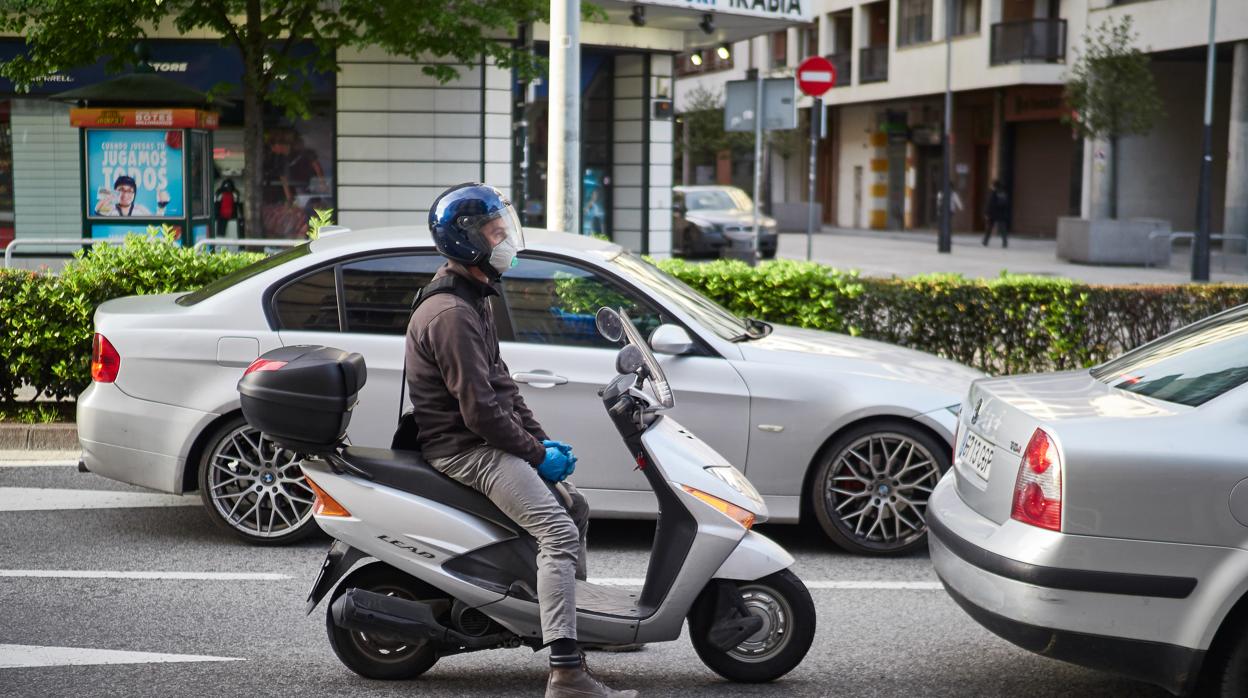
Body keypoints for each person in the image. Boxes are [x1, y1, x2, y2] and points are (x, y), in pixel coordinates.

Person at [404, 183, 637, 698]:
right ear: (467, 242)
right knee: (557, 531)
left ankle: (577, 624)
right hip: (464, 450)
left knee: (575, 507)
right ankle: (566, 672)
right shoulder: (451, 315)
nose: (505, 239)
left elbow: (503, 387)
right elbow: (481, 412)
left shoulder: (475, 297)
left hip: (481, 438)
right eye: (495, 231)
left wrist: (543, 443)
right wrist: (534, 455)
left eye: (503, 228)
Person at [984, 180, 1010, 248]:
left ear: (994, 186)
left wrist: (987, 213)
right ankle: (1005, 242)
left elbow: (990, 204)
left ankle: (985, 241)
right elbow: (1006, 203)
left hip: (993, 213)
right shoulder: (1003, 192)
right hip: (1001, 213)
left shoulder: (993, 193)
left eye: (992, 185)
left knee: (989, 228)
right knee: (1003, 229)